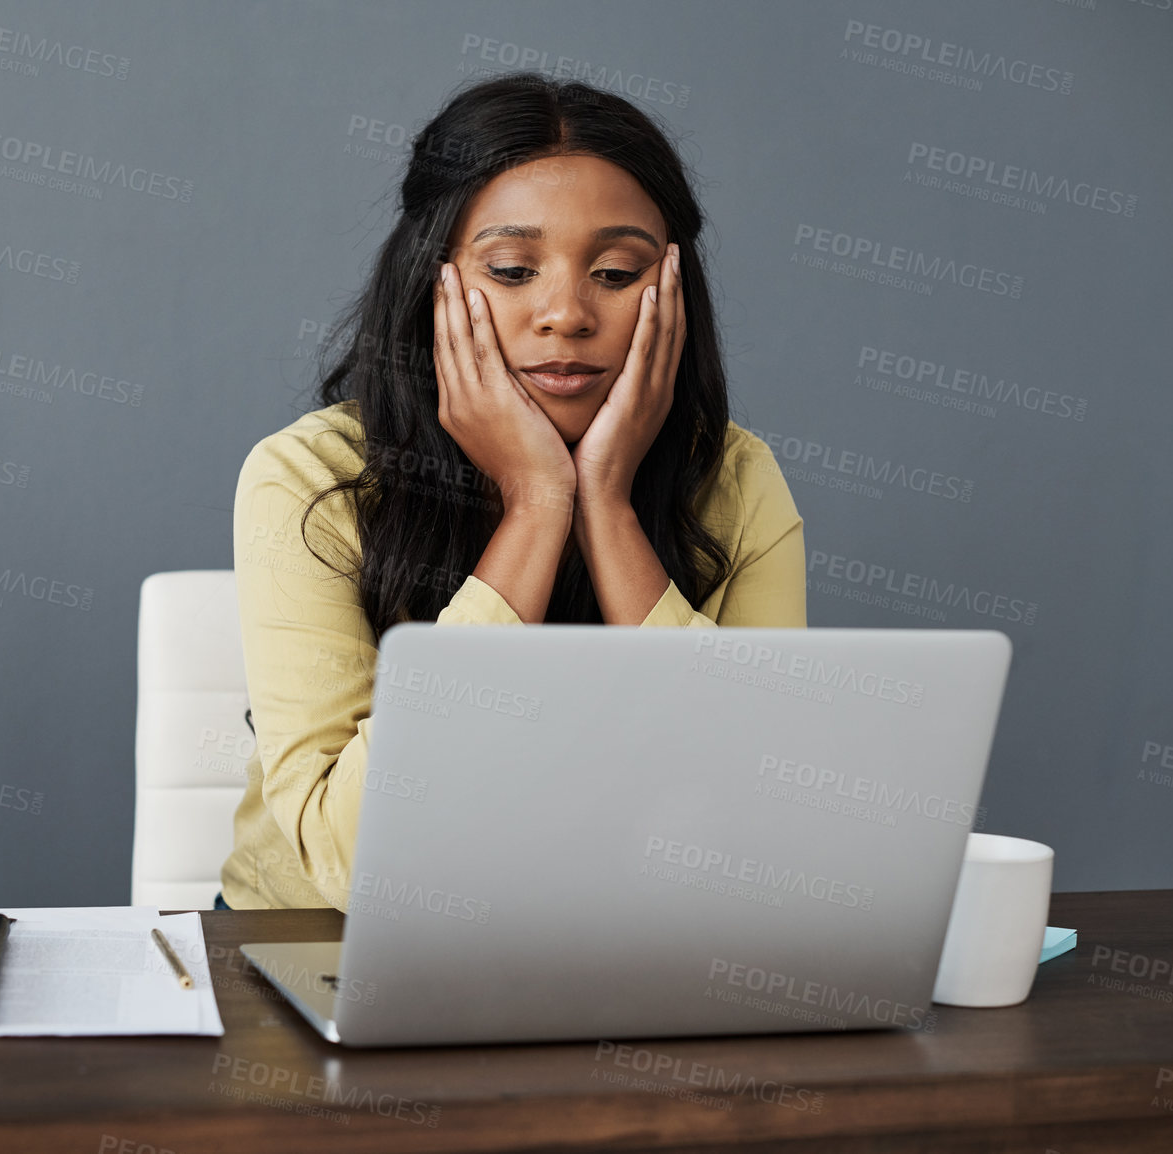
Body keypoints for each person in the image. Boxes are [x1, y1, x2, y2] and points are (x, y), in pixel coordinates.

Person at [218, 73, 805, 912]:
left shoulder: (738, 480)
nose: (564, 312)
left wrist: (604, 505)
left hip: (613, 942)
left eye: (613, 272)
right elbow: (351, 858)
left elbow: (756, 829)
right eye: (511, 268)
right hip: (314, 947)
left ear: (673, 289)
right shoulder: (309, 476)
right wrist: (536, 505)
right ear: (434, 279)